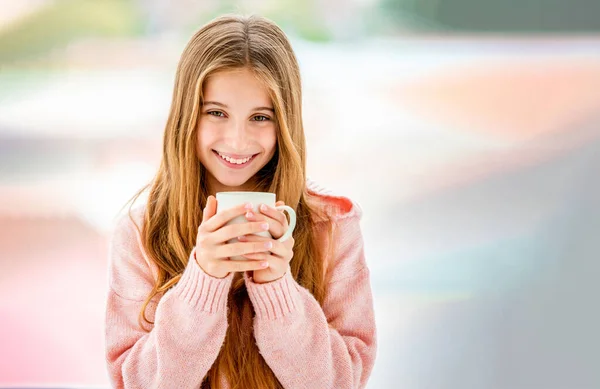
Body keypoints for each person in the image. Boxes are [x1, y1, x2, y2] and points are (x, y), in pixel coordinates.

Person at [104, 14, 377, 389]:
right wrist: (204, 280)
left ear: (285, 122)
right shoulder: (139, 232)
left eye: (260, 117)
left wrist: (277, 286)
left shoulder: (332, 225)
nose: (237, 140)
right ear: (187, 115)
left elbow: (340, 382)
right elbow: (135, 383)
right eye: (216, 112)